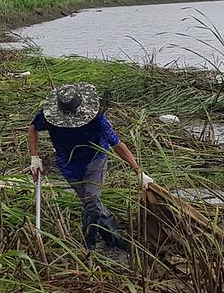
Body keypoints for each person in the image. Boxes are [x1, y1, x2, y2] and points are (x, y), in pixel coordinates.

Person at [28, 82, 149, 249]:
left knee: (91, 200)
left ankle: (90, 244)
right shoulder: (49, 116)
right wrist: (34, 157)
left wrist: (139, 172)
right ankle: (112, 239)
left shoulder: (96, 119)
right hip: (68, 164)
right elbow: (33, 128)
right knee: (90, 202)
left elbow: (118, 145)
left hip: (95, 159)